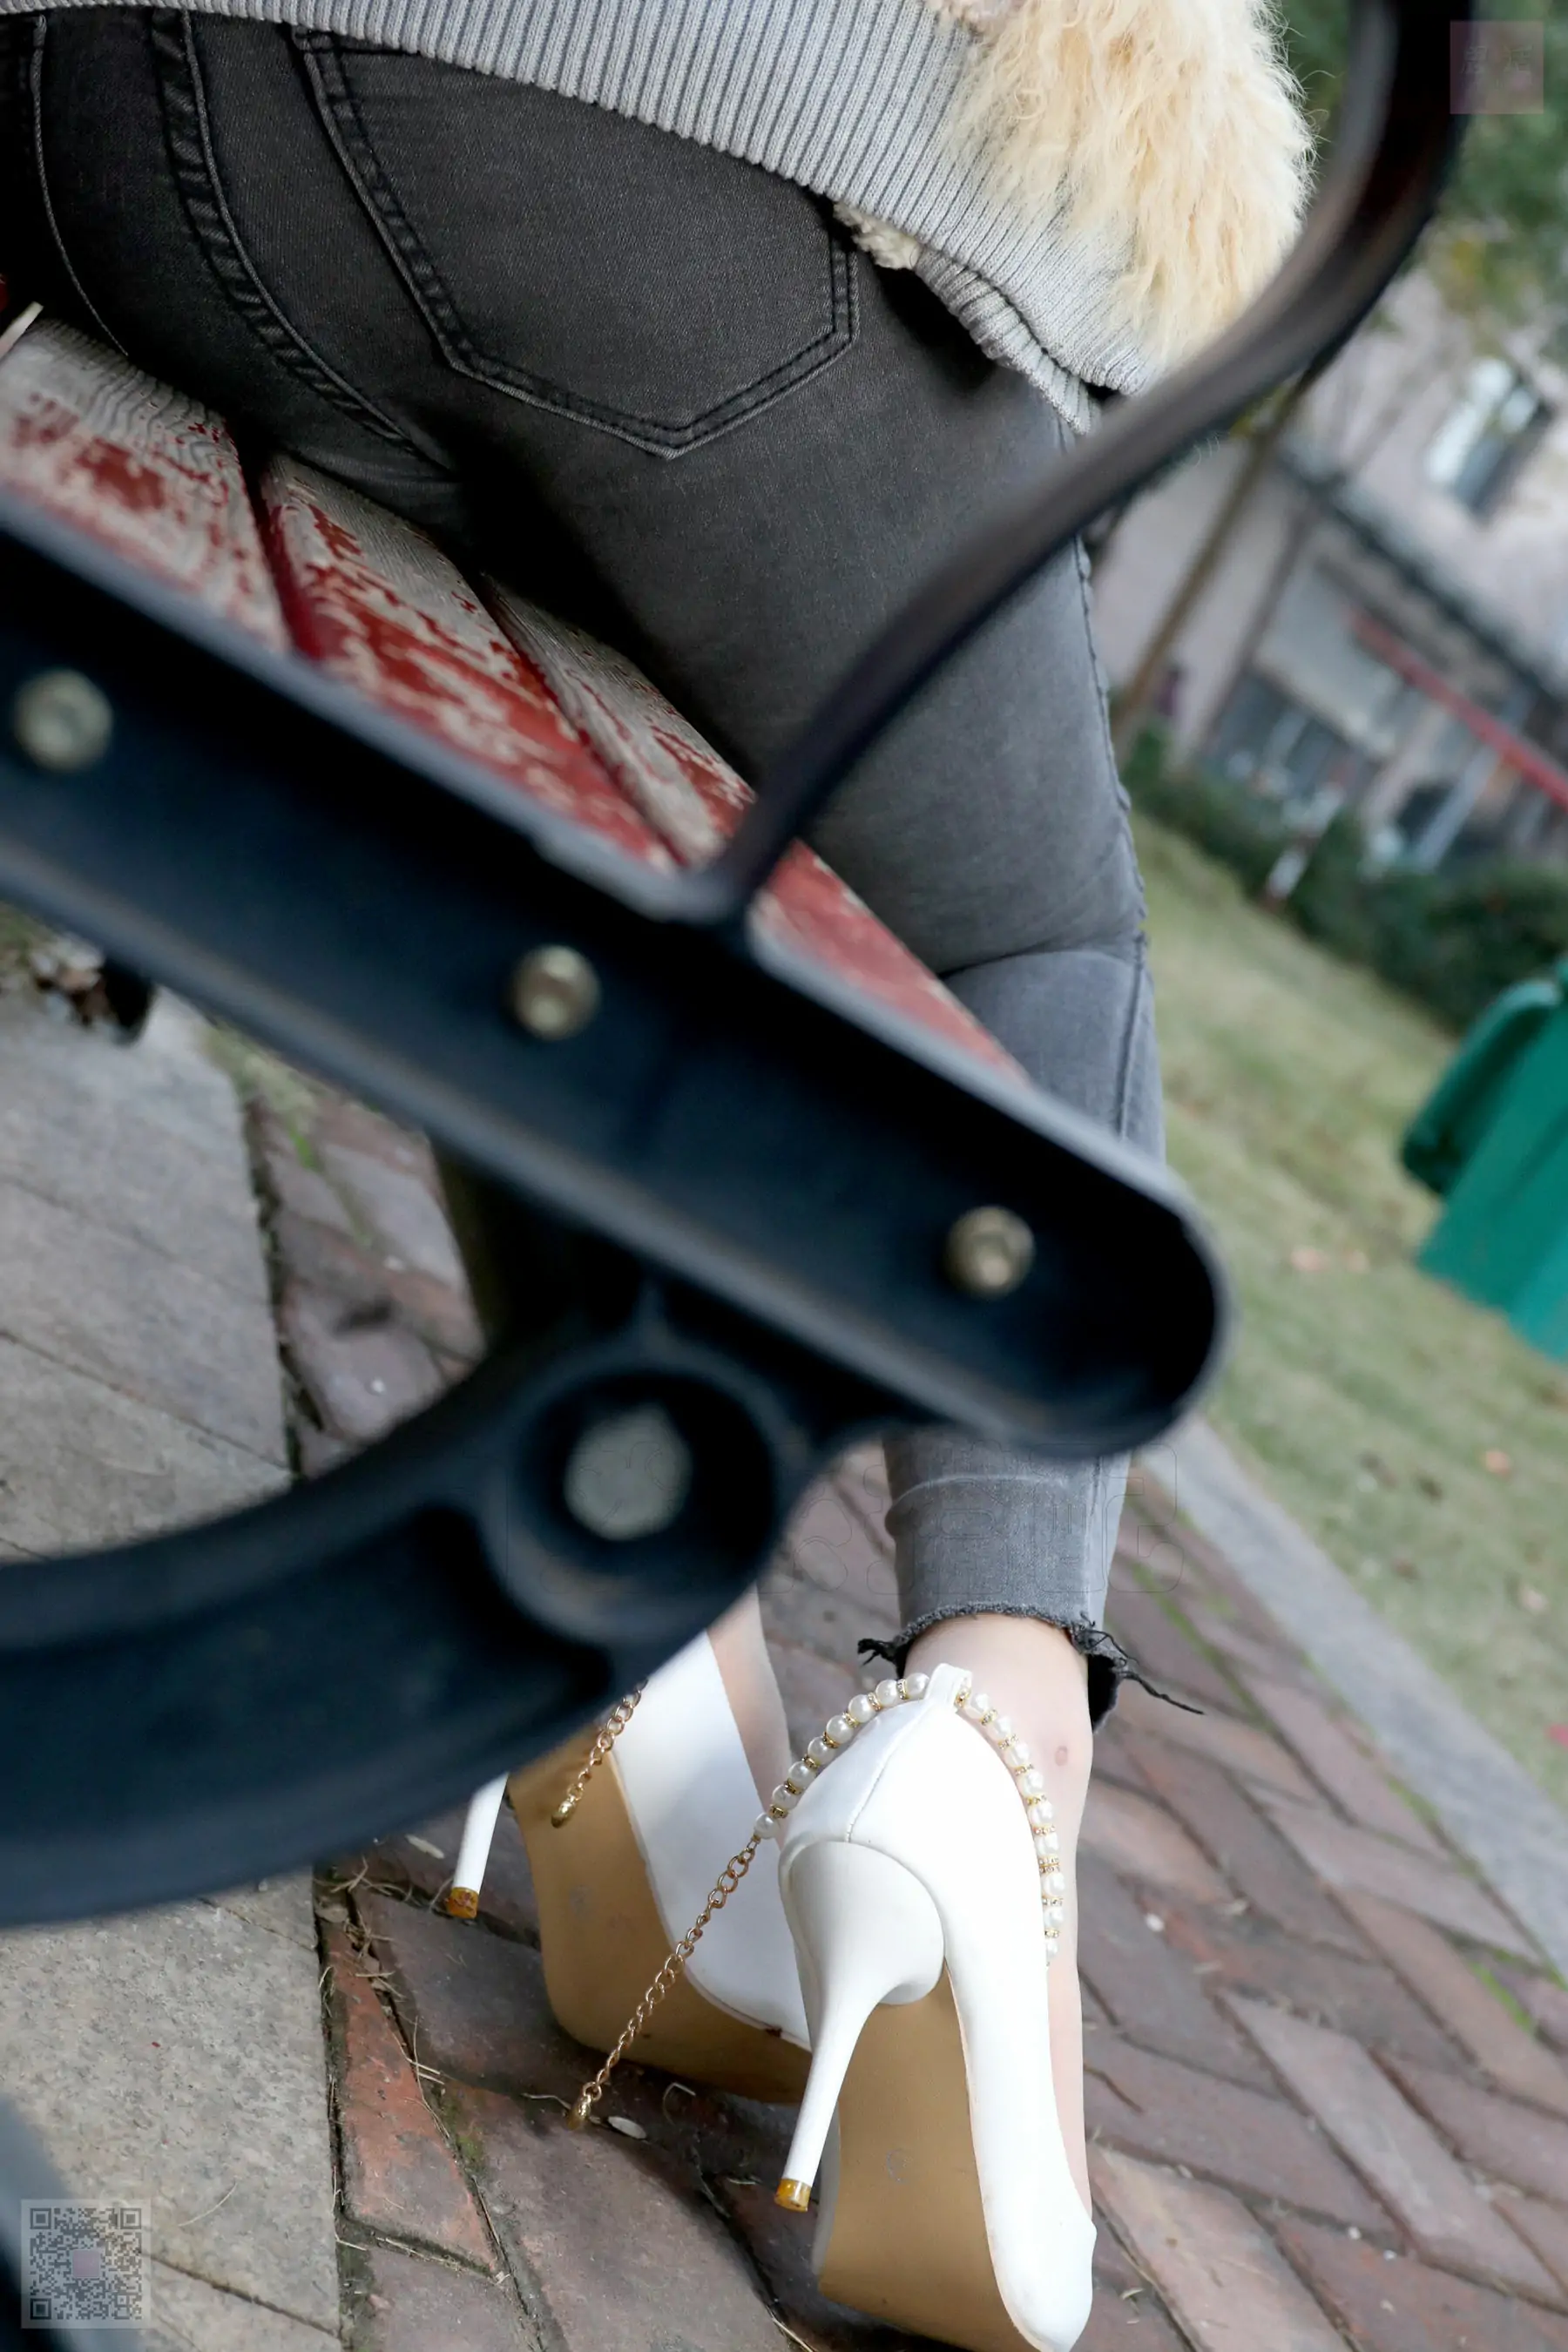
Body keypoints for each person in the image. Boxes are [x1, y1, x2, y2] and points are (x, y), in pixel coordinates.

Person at [0, 8, 1309, 2344]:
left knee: (621, 653)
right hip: (615, 122)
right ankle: (1002, 1712)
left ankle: (657, 1646)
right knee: (1035, 928)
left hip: (85, 118)